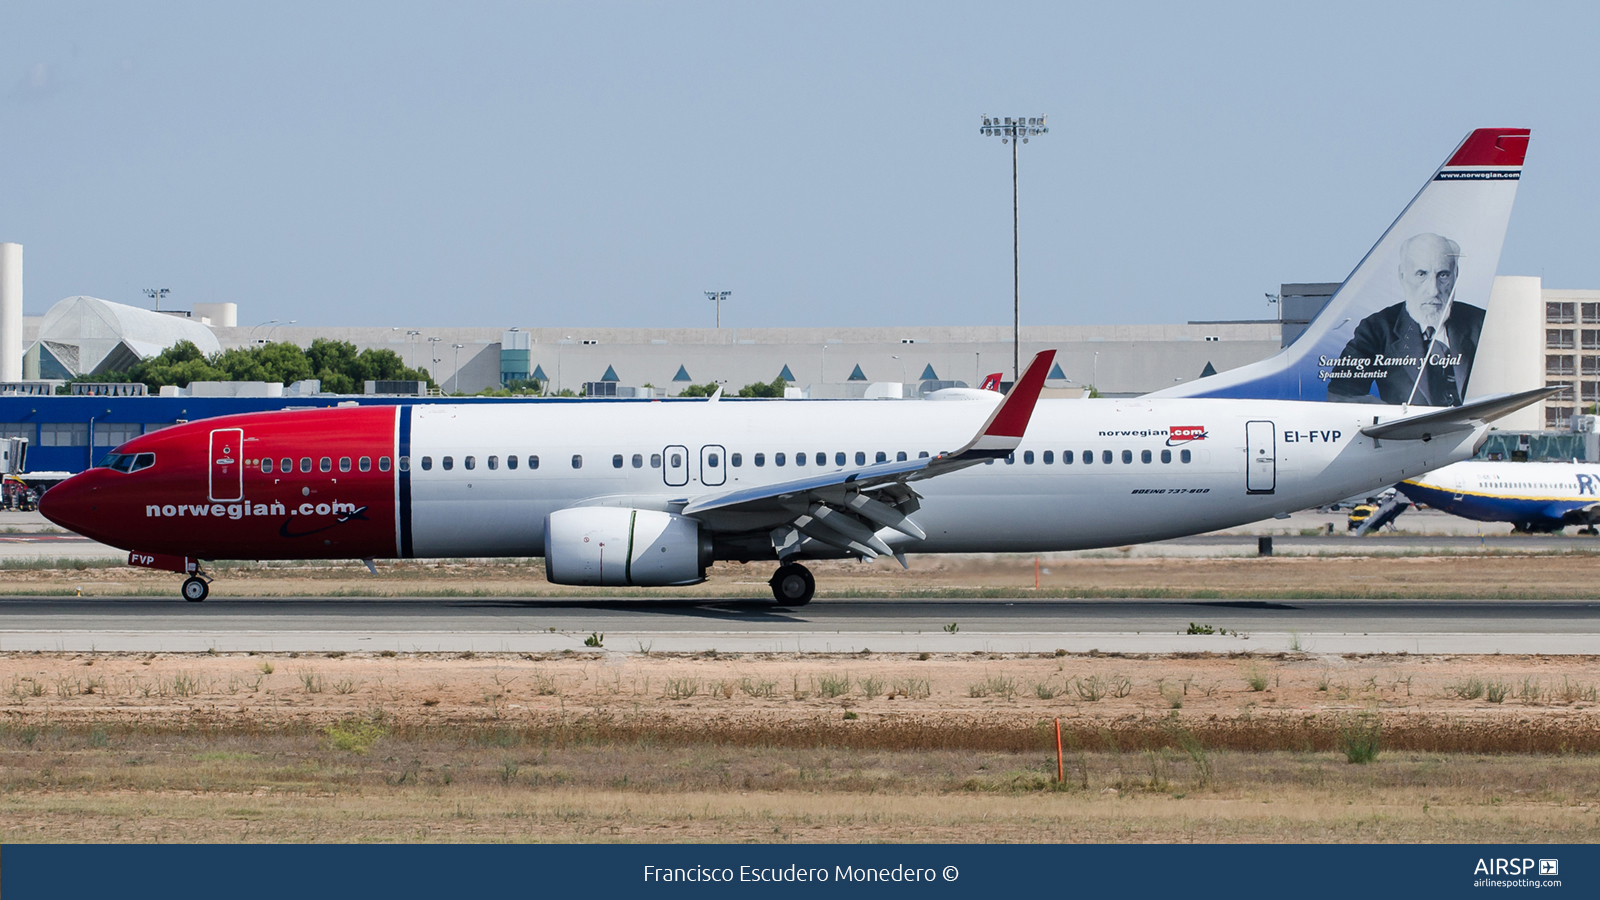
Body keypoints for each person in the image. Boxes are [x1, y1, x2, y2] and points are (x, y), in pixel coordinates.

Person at [1326, 232, 1484, 406]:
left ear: (1456, 276)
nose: (1433, 290)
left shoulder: (1482, 323)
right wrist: (1391, 418)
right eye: (1421, 274)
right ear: (1402, 276)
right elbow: (1341, 394)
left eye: (1443, 275)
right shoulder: (1377, 329)